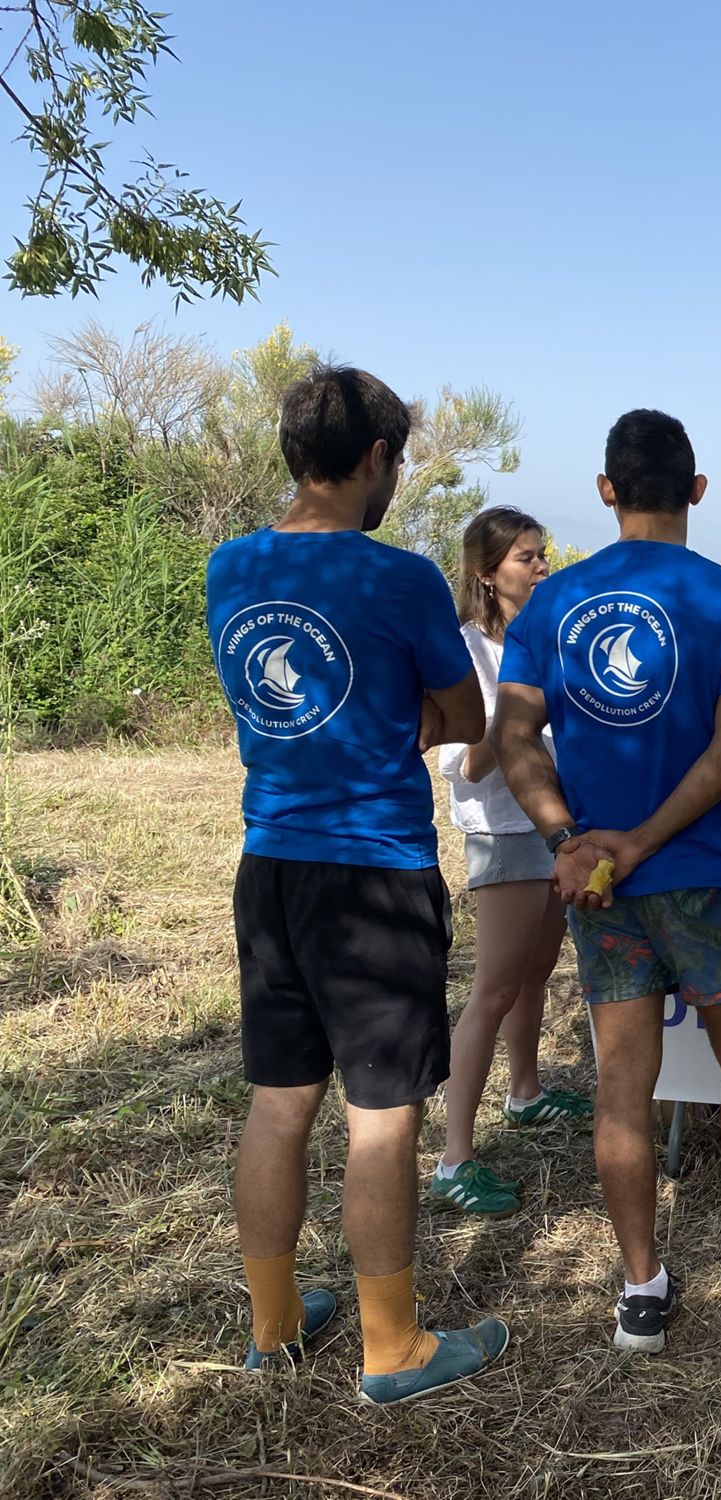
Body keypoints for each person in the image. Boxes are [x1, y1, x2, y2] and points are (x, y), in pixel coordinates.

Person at [493, 409, 721, 1354]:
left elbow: (514, 739)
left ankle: (640, 1287)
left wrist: (574, 842)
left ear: (606, 491)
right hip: (708, 873)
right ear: (696, 490)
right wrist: (639, 839)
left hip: (600, 886)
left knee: (622, 1086)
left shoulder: (551, 605)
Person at [205, 365, 508, 1404]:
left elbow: (268, 706)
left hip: (271, 866)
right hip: (372, 874)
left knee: (279, 1105)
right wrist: (401, 721)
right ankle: (393, 1348)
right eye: (399, 462)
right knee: (381, 1118)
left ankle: (274, 1326)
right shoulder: (403, 579)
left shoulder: (229, 569)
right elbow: (467, 719)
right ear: (375, 459)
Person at [431, 508, 591, 1217]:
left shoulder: (549, 641)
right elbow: (462, 766)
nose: (542, 567)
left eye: (543, 554)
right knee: (493, 989)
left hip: (559, 827)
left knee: (535, 973)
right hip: (502, 831)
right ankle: (452, 1158)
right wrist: (515, 716)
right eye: (527, 558)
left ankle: (524, 1093)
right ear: (486, 573)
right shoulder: (464, 653)